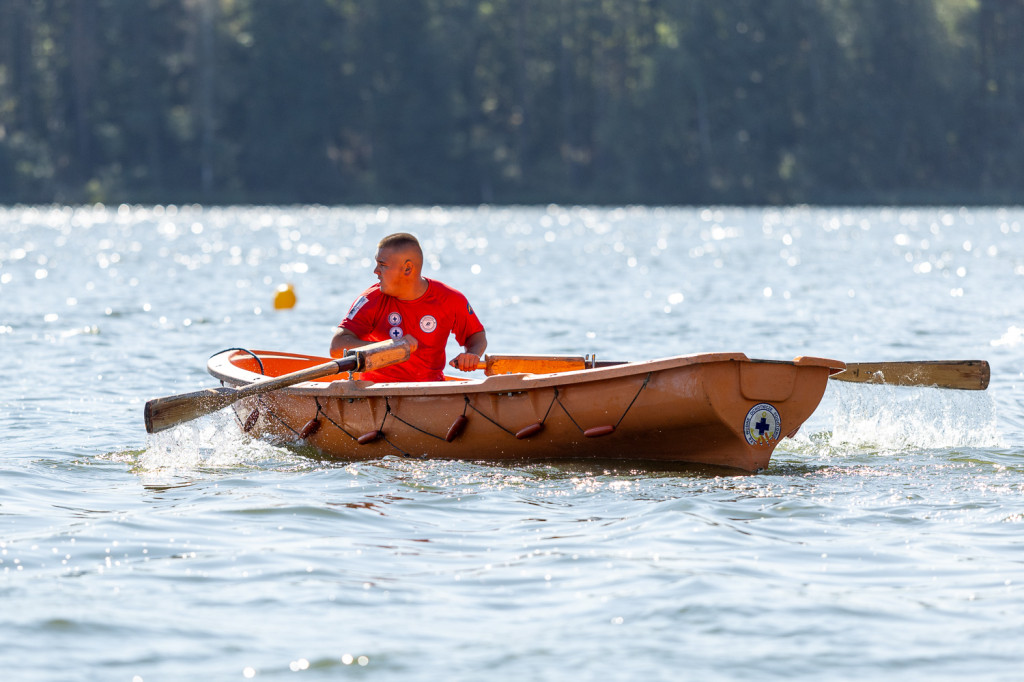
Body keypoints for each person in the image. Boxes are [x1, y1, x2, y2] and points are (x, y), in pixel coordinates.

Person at [330, 233, 487, 382]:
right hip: (376, 393)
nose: (375, 271)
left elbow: (476, 335)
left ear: (407, 268)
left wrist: (472, 355)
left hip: (431, 392)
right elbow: (337, 346)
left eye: (382, 265)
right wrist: (390, 347)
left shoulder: (450, 299)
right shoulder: (371, 299)